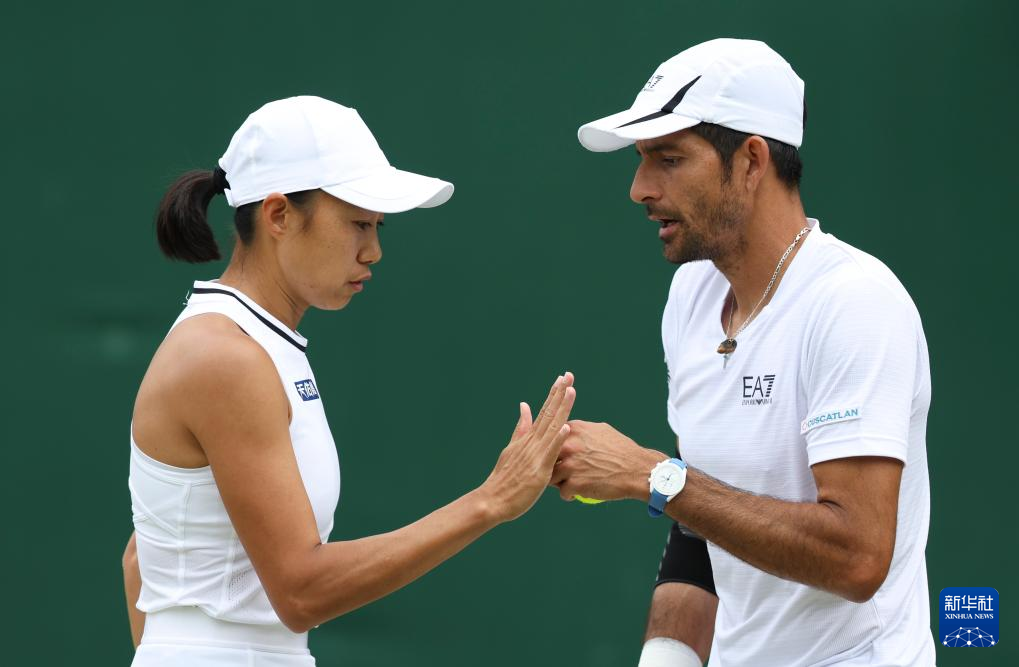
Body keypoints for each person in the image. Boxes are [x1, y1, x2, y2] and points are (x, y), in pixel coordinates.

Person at [122, 95, 577, 666]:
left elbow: (141, 559)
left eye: (378, 226)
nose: (375, 250)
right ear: (279, 215)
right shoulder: (226, 356)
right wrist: (491, 501)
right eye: (359, 223)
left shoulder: (249, 343)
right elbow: (300, 592)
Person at [552, 39, 934, 666]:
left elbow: (858, 557)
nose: (639, 188)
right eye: (643, 161)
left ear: (752, 161)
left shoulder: (855, 302)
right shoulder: (692, 296)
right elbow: (701, 525)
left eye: (669, 159)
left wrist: (651, 476)